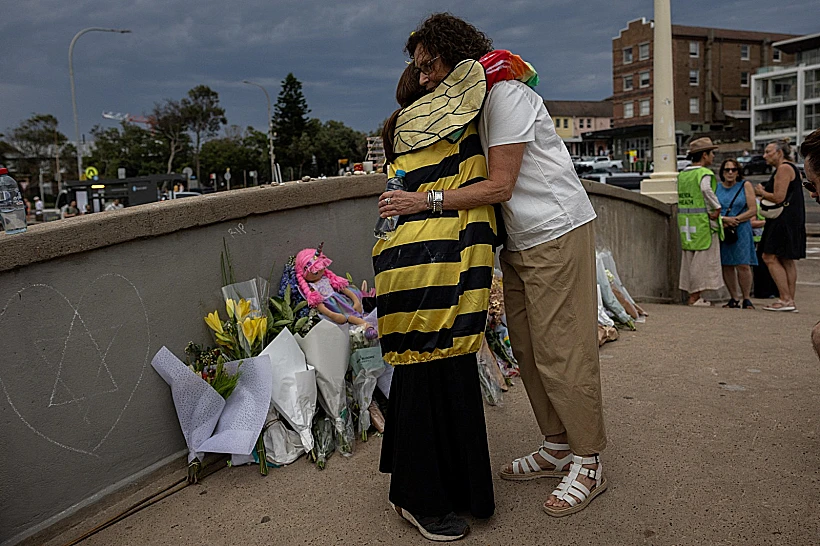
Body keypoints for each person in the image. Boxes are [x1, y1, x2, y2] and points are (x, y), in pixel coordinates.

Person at [380, 13, 607, 519]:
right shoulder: (471, 103)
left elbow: (501, 185)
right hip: (521, 243)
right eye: (417, 71)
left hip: (556, 230)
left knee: (562, 351)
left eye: (428, 65)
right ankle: (556, 445)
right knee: (528, 348)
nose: (423, 78)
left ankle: (589, 462)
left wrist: (426, 202)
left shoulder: (503, 96)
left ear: (455, 55)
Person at [374, 61, 498, 541]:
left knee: (427, 376)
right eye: (426, 76)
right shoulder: (429, 129)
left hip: (417, 265)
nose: (434, 83)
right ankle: (419, 497)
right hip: (434, 267)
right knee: (435, 376)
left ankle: (434, 485)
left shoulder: (407, 134)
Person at [754, 139, 806, 311]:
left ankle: (785, 299)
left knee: (769, 256)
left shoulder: (783, 169)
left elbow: (778, 197)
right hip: (792, 219)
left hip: (782, 220)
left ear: (779, 153)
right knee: (787, 259)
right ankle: (789, 300)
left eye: (768, 151)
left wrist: (761, 193)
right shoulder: (793, 169)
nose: (765, 155)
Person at [677, 137, 724, 306]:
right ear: (704, 155)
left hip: (686, 222)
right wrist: (716, 207)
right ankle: (695, 296)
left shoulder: (683, 174)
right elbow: (705, 189)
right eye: (711, 153)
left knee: (689, 261)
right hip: (702, 222)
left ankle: (692, 294)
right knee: (701, 262)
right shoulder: (703, 173)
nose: (713, 157)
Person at [716, 159, 757, 309]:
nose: (730, 172)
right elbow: (712, 209)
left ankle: (746, 298)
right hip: (724, 227)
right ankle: (733, 297)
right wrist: (725, 220)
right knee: (726, 264)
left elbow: (753, 209)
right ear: (722, 172)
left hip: (741, 227)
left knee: (743, 264)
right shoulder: (717, 187)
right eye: (727, 170)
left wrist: (736, 219)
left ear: (738, 172)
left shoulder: (745, 185)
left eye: (734, 170)